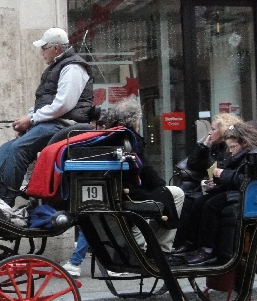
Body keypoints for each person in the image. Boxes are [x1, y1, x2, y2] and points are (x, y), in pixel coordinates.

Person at [62, 97, 184, 277]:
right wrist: (161, 187)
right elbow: (147, 171)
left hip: (115, 191)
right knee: (177, 193)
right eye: (139, 118)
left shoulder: (112, 133)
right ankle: (162, 250)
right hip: (126, 193)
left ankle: (150, 249)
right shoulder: (128, 137)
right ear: (134, 120)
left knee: (166, 194)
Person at [0, 27, 94, 211]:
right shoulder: (58, 67)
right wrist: (28, 120)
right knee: (6, 147)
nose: (41, 53)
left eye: (44, 48)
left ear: (55, 49)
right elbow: (46, 103)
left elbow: (63, 104)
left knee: (19, 148)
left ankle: (4, 201)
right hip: (52, 123)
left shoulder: (73, 67)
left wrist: (32, 120)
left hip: (64, 125)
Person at [180, 122, 257, 265]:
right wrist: (216, 180)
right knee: (199, 201)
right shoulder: (238, 154)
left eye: (233, 147)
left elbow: (244, 179)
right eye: (229, 147)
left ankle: (208, 249)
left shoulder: (250, 156)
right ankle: (194, 243)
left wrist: (223, 174)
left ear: (243, 143)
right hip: (233, 189)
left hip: (244, 193)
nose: (231, 151)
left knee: (211, 205)